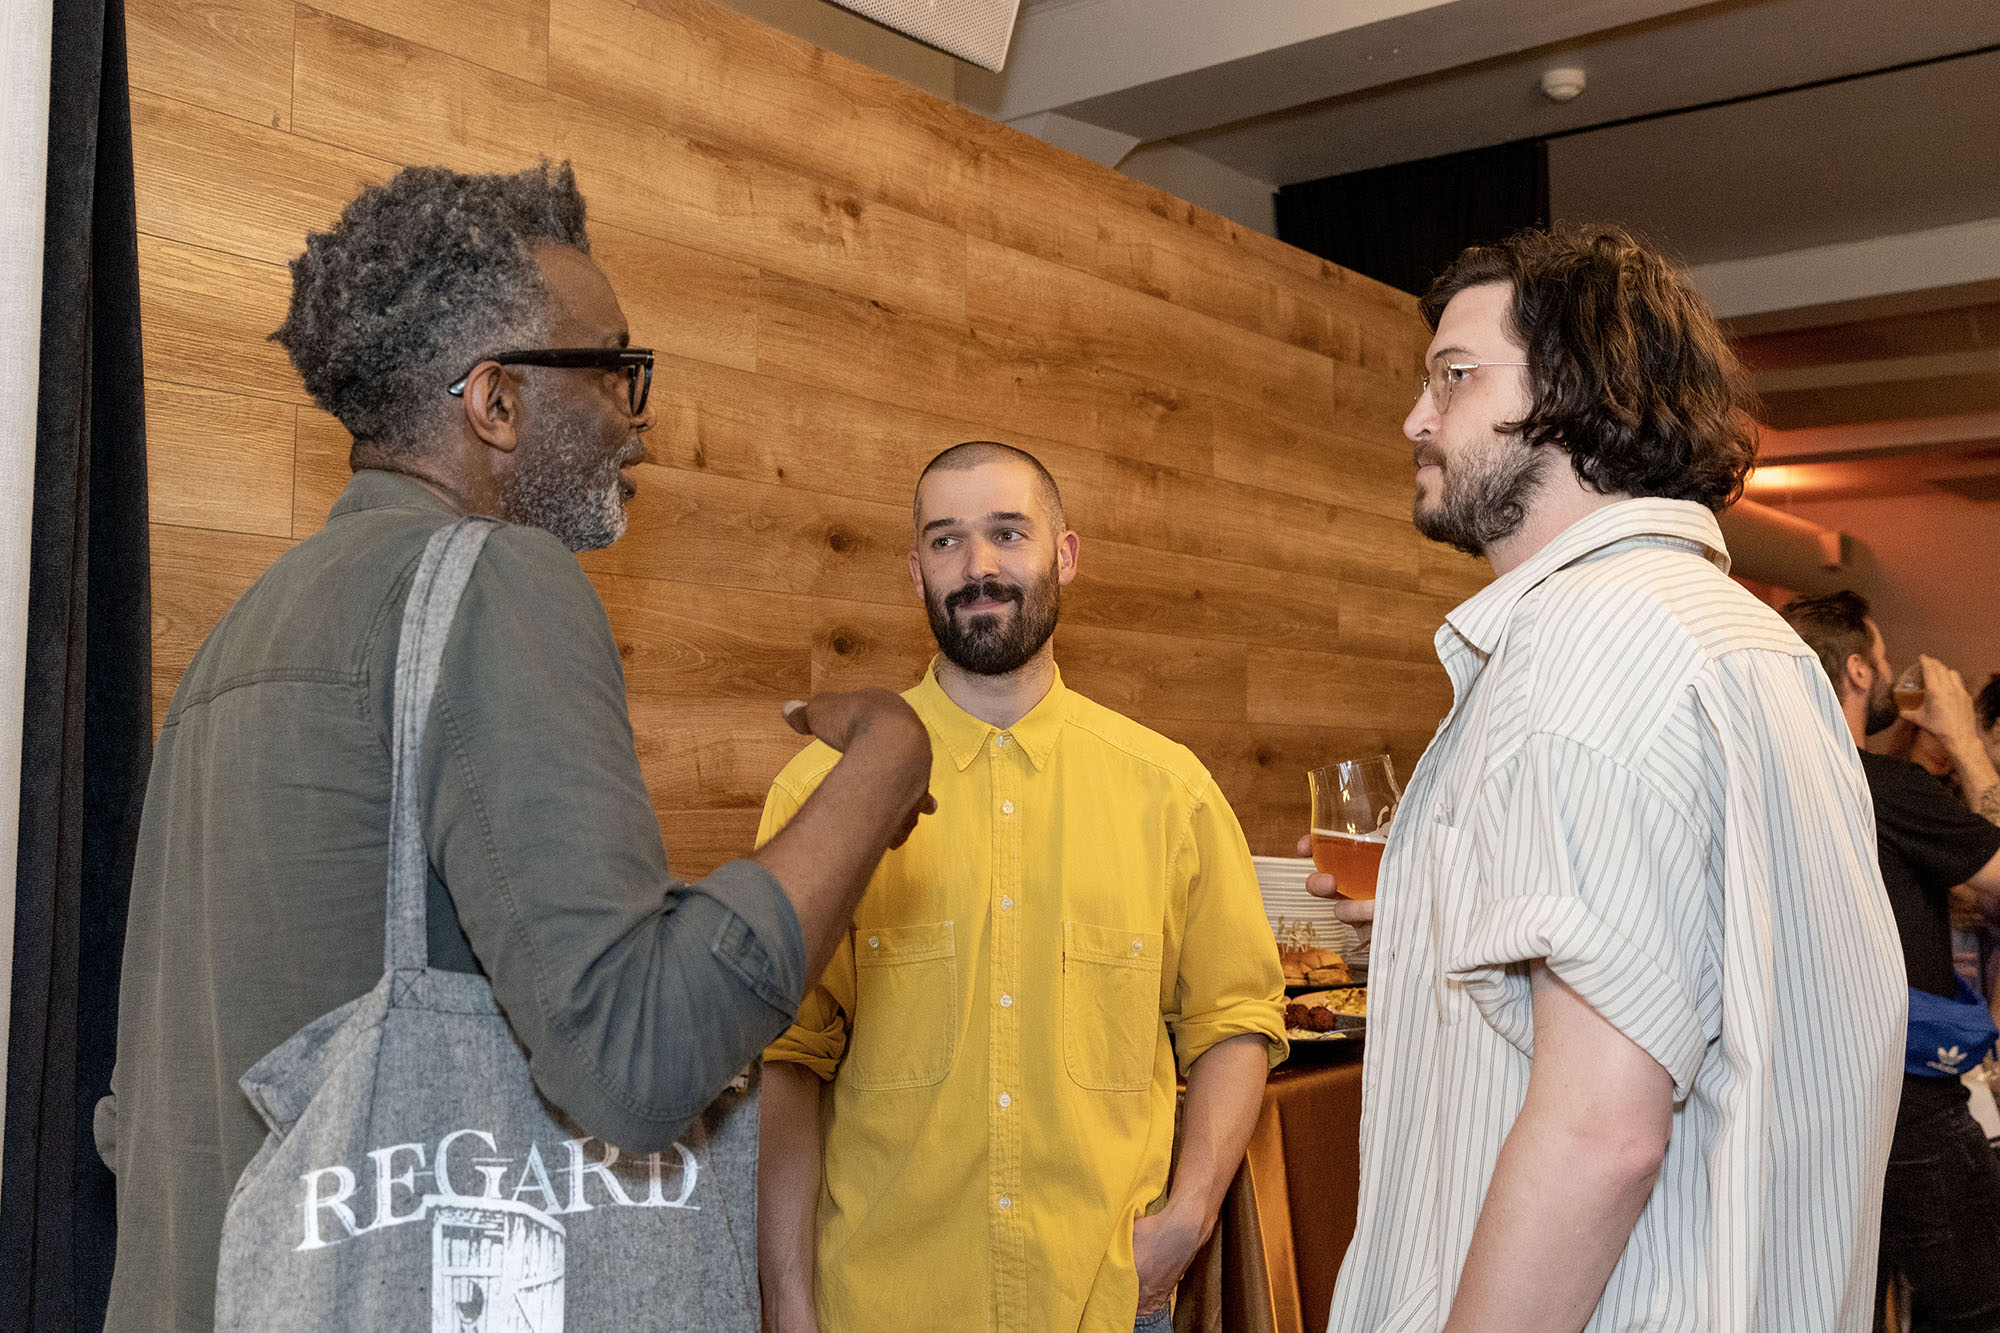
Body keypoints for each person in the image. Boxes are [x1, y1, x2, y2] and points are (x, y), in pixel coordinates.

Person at [99, 162, 935, 1332]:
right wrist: (886, 762)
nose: (638, 416)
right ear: (494, 402)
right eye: (612, 369)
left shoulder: (239, 633)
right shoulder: (495, 580)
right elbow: (636, 1058)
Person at [1312, 226, 1906, 1332]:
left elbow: (1602, 1133)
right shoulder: (1749, 641)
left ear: (1574, 395)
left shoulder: (1584, 645)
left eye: (1453, 375)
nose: (1415, 418)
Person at [755, 441, 1287, 1333]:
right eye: (946, 540)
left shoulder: (1173, 792)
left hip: (1103, 1303)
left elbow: (1235, 1019)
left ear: (1064, 555)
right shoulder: (823, 793)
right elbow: (788, 1057)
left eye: (1008, 532)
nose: (979, 566)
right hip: (883, 1308)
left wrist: (1188, 1217)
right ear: (915, 571)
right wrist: (788, 1302)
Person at [1780, 592, 2000, 1331]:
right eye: (1879, 656)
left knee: (1845, 1305)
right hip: (1909, 1106)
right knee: (1980, 1307)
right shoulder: (1878, 784)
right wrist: (1963, 738)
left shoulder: (1768, 788)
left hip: (1808, 1107)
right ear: (1856, 671)